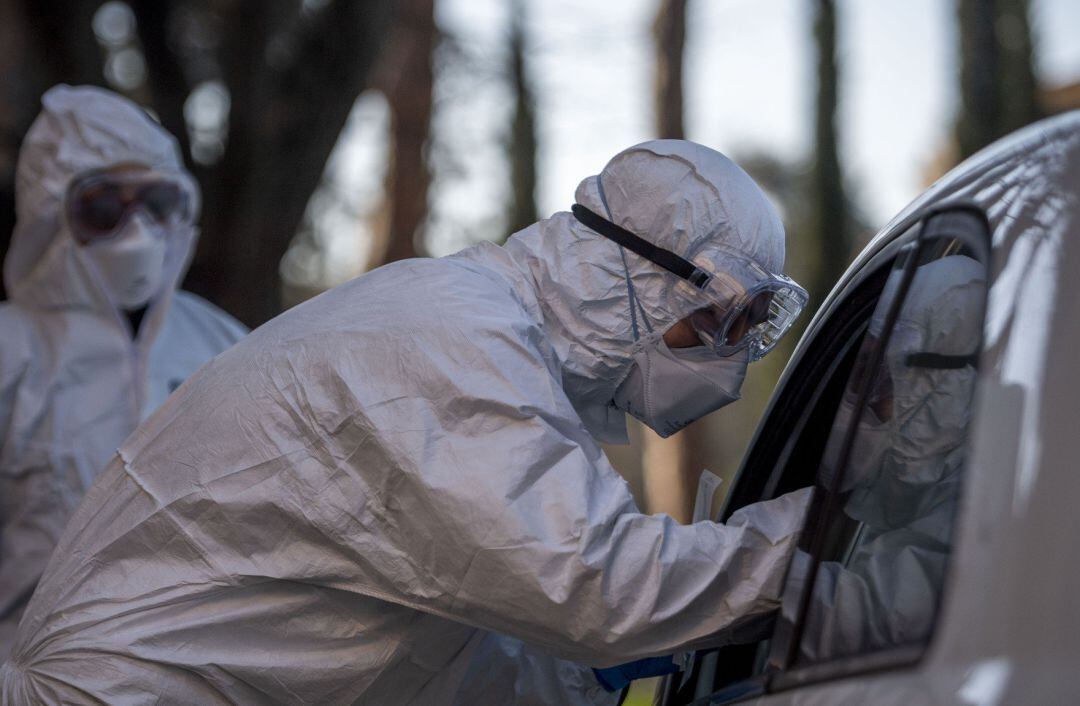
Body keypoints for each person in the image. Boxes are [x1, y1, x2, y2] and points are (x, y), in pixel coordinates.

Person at [2, 140, 812, 704]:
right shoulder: (454, 344)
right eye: (718, 323)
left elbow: (447, 645)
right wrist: (821, 543)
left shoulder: (487, 341)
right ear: (639, 277)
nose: (723, 358)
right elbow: (594, 584)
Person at [0, 85, 248, 660]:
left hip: (200, 673)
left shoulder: (226, 344)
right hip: (34, 675)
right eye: (104, 207)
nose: (138, 231)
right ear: (51, 215)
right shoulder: (13, 351)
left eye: (157, 204)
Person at [795, 255, 986, 662]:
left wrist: (738, 575)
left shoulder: (980, 507)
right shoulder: (913, 503)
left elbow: (874, 622)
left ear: (941, 391)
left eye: (873, 376)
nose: (856, 402)